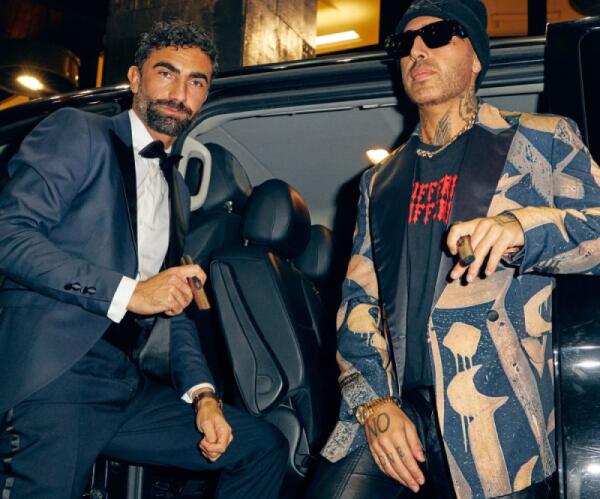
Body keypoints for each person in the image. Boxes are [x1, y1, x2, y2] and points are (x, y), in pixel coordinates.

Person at [305, 0, 600, 498]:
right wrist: (373, 405)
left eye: (438, 35)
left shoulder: (542, 138)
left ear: (476, 57)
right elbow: (359, 302)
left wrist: (523, 228)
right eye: (404, 43)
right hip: (400, 409)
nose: (417, 50)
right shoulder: (379, 181)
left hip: (495, 414)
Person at [0, 19, 287, 499]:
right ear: (135, 78)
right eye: (166, 74)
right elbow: (8, 233)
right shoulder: (78, 131)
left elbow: (175, 305)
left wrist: (204, 396)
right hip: (58, 372)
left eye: (196, 82)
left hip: (123, 383)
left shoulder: (177, 188)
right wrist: (128, 292)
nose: (180, 93)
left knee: (261, 447)